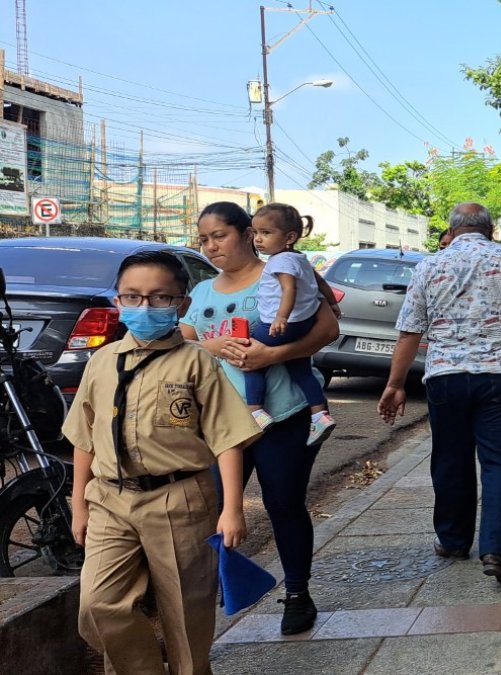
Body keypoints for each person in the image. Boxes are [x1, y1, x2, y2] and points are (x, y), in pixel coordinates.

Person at [66, 251, 262, 674]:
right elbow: (83, 437)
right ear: (117, 302)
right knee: (99, 606)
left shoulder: (197, 362)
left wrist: (232, 509)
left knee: (186, 614)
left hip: (180, 499)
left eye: (159, 298)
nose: (145, 307)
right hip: (109, 499)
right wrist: (78, 505)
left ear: (181, 304)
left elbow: (228, 438)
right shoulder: (102, 361)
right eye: (132, 297)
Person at [183, 201, 341, 635]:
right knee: (215, 509)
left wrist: (275, 353)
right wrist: (212, 348)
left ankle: (297, 593)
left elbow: (327, 329)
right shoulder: (202, 293)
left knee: (283, 504)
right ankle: (223, 590)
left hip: (283, 414)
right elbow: (180, 345)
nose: (211, 246)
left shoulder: (279, 272)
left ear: (247, 233)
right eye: (203, 240)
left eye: (219, 236)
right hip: (220, 424)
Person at [378, 204, 501, 584]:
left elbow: (409, 332)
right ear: (490, 229)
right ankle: (497, 549)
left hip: (445, 378)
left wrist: (394, 384)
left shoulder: (429, 266)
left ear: (451, 232)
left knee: (451, 459)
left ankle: (454, 540)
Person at [243, 203, 340, 445]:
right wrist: (333, 303)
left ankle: (256, 412)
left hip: (280, 324)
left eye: (266, 233)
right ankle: (319, 414)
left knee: (251, 360)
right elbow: (320, 282)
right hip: (303, 323)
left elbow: (289, 289)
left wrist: (280, 317)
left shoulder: (280, 261)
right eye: (255, 233)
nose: (258, 239)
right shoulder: (300, 258)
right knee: (300, 369)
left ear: (290, 237)